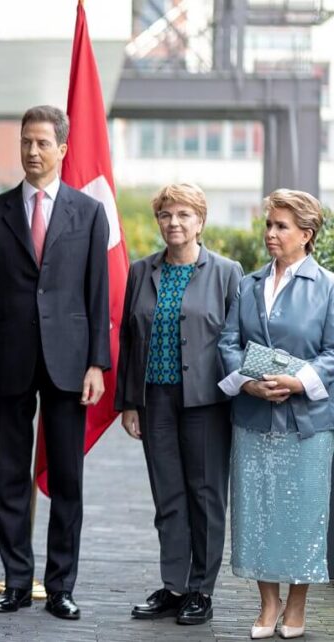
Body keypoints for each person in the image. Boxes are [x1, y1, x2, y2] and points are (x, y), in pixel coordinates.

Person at [0, 105, 110, 621]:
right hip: (7, 361)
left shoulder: (88, 212)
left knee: (67, 478)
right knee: (10, 474)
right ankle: (16, 581)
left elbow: (97, 293)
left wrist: (98, 363)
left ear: (63, 149)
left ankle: (61, 585)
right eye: (26, 141)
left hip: (69, 364)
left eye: (42, 143)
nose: (32, 151)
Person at [116, 183, 242, 625]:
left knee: (205, 496)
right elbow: (129, 340)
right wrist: (129, 402)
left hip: (206, 402)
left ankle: (201, 590)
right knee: (167, 494)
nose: (175, 222)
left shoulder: (227, 272)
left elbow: (237, 340)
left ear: (201, 222)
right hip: (155, 399)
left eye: (185, 214)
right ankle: (173, 585)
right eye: (167, 214)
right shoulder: (141, 272)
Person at [218, 189, 334, 640]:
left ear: (306, 235)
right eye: (268, 224)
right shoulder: (248, 284)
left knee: (304, 515)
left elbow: (332, 352)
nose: (270, 233)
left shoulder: (328, 287)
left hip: (308, 424)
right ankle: (268, 604)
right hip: (252, 416)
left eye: (281, 226)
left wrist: (297, 381)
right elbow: (228, 342)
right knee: (256, 513)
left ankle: (298, 604)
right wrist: (248, 384)